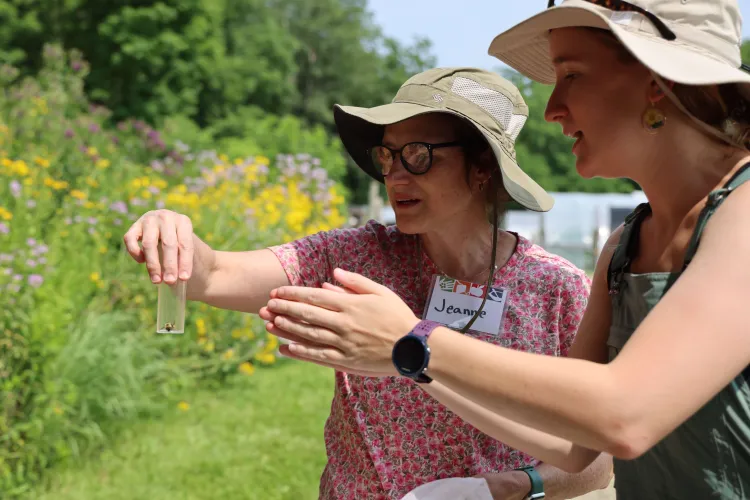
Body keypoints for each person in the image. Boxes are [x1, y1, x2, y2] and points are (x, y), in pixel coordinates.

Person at [259, 1, 750, 498]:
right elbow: (575, 443)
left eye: (572, 75)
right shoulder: (626, 246)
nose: (553, 108)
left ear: (656, 79)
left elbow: (625, 415)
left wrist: (415, 339)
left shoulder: (744, 215)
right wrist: (414, 362)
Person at [123, 67, 614, 499]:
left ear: (482, 167)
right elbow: (218, 274)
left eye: (418, 155)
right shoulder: (355, 256)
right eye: (388, 155)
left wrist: (515, 487)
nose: (395, 175)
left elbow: (597, 459)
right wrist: (174, 230)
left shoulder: (556, 291)